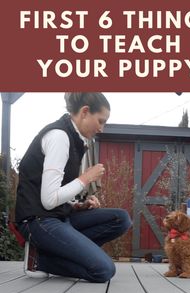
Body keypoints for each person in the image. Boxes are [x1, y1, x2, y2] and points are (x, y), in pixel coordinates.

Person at [15, 92, 132, 282]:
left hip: (59, 216)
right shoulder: (59, 136)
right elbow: (49, 199)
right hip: (38, 221)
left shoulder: (75, 139)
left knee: (121, 219)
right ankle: (40, 260)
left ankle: (57, 252)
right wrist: (86, 178)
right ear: (85, 112)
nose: (101, 128)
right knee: (103, 270)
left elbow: (57, 192)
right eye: (100, 121)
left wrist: (78, 205)